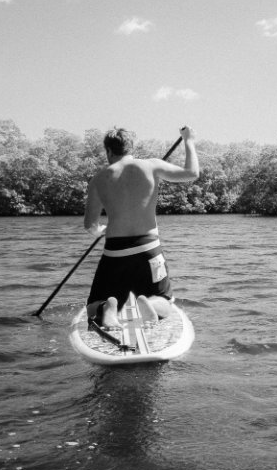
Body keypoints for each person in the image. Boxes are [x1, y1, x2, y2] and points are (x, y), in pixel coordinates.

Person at [83, 126, 199, 329]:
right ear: (130, 148)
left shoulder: (98, 179)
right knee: (165, 301)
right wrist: (188, 140)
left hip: (115, 252)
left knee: (92, 307)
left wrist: (102, 230)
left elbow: (90, 225)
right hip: (148, 249)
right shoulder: (151, 165)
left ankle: (106, 308)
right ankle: (151, 305)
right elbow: (191, 173)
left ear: (109, 151)